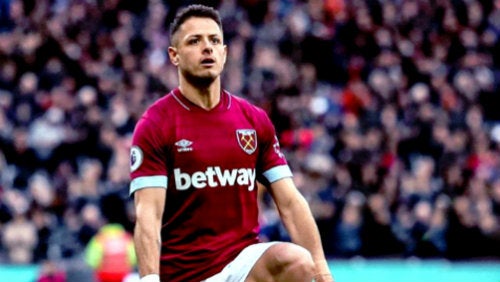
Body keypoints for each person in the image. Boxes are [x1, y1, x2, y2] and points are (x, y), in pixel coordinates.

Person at [129, 4, 334, 282]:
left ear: (224, 54)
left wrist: (322, 272)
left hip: (241, 266)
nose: (207, 48)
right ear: (174, 56)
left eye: (214, 40)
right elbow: (148, 214)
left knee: (297, 262)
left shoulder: (252, 119)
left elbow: (290, 201)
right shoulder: (156, 124)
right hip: (185, 275)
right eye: (194, 41)